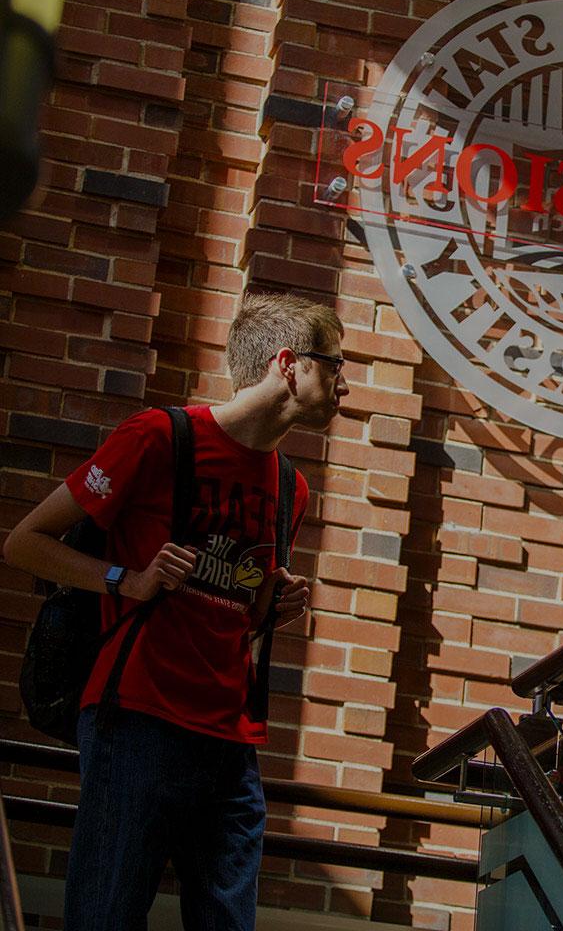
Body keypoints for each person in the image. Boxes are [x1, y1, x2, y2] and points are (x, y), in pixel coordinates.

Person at [4, 292, 349, 930]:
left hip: (229, 744)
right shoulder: (159, 437)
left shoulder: (289, 488)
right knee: (104, 919)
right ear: (289, 364)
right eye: (334, 364)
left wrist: (273, 609)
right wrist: (124, 579)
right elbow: (25, 543)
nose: (344, 384)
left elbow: (234, 612)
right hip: (134, 722)